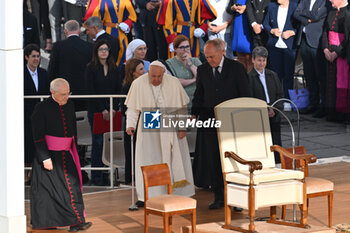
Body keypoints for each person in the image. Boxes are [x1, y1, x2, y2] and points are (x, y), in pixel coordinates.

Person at [191, 38, 251, 209]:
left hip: (232, 121)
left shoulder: (236, 68)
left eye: (211, 57)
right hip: (210, 121)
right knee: (214, 160)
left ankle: (238, 199)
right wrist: (194, 113)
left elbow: (245, 94)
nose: (209, 60)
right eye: (206, 57)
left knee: (234, 161)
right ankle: (219, 197)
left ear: (221, 52)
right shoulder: (203, 70)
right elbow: (199, 94)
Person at [125, 61, 195, 206]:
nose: (156, 79)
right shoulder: (138, 83)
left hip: (170, 124)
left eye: (158, 76)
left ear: (164, 73)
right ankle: (148, 195)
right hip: (149, 123)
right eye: (153, 76)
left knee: (173, 157)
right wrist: (130, 125)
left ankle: (177, 193)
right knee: (150, 159)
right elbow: (132, 108)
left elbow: (181, 107)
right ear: (148, 73)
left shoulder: (173, 82)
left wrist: (182, 127)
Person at [31, 78, 92, 231]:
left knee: (73, 187)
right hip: (49, 156)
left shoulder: (70, 105)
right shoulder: (41, 108)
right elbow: (37, 136)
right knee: (49, 192)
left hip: (66, 153)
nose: (67, 97)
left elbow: (73, 129)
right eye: (63, 94)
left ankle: (77, 221)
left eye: (68, 93)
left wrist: (75, 150)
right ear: (53, 93)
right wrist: (45, 158)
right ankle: (48, 222)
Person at [85, 39, 121, 186]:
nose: (104, 52)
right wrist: (102, 109)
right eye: (101, 49)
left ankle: (107, 174)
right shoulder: (90, 68)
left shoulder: (114, 67)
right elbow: (90, 91)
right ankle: (96, 175)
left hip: (112, 110)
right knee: (98, 142)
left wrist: (114, 108)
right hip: (96, 111)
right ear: (96, 52)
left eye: (106, 49)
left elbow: (118, 88)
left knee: (109, 143)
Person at [248, 46, 284, 163]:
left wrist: (275, 109)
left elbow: (280, 94)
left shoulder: (272, 75)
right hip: (259, 117)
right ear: (253, 60)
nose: (262, 63)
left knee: (276, 143)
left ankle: (278, 163)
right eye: (259, 60)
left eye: (264, 60)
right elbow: (250, 99)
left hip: (274, 113)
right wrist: (263, 111)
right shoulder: (249, 78)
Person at [48, 20, 93, 111]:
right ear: (79, 31)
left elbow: (52, 70)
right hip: (84, 93)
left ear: (65, 31)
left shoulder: (58, 46)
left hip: (63, 94)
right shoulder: (89, 47)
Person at [293, 0, 328, 116]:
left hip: (316, 42)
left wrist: (304, 13)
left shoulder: (324, 2)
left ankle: (323, 106)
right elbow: (296, 13)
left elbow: (317, 15)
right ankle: (313, 103)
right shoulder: (304, 0)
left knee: (320, 75)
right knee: (309, 74)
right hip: (304, 40)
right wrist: (307, 20)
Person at [24, 44, 50, 184]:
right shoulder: (20, 74)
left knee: (38, 146)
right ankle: (25, 175)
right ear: (26, 57)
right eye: (33, 56)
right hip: (26, 118)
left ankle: (35, 176)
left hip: (40, 117)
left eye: (38, 56)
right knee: (27, 146)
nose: (36, 59)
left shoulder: (43, 73)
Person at [84, 0, 137, 68]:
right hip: (105, 32)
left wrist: (127, 24)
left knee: (123, 57)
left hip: (121, 33)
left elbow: (131, 15)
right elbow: (91, 17)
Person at [263, 0, 298, 100]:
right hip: (274, 45)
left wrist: (292, 32)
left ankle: (287, 100)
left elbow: (300, 26)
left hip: (289, 46)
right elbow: (266, 24)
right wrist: (271, 30)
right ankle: (276, 100)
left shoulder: (295, 7)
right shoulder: (271, 6)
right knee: (275, 76)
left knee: (288, 75)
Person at [321, 0, 350, 122]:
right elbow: (325, 33)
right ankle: (331, 113)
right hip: (329, 53)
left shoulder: (348, 13)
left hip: (341, 54)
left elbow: (348, 37)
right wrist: (325, 49)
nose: (330, 1)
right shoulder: (331, 13)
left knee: (342, 84)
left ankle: (342, 114)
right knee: (330, 84)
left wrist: (336, 52)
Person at [121, 58, 145, 184]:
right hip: (133, 123)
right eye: (140, 69)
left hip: (144, 121)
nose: (144, 71)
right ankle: (131, 179)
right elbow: (125, 107)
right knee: (132, 151)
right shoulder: (127, 87)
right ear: (133, 72)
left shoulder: (144, 85)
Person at [166, 35, 202, 109]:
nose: (185, 50)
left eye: (187, 46)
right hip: (180, 103)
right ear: (175, 49)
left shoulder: (195, 61)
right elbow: (175, 82)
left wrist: (189, 63)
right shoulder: (169, 63)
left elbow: (202, 77)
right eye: (182, 47)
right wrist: (194, 80)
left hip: (197, 102)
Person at [227, 0, 253, 71]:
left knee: (249, 57)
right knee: (240, 56)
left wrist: (246, 8)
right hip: (237, 26)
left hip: (248, 26)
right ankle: (243, 78)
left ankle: (251, 79)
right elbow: (228, 9)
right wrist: (233, 8)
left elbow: (260, 6)